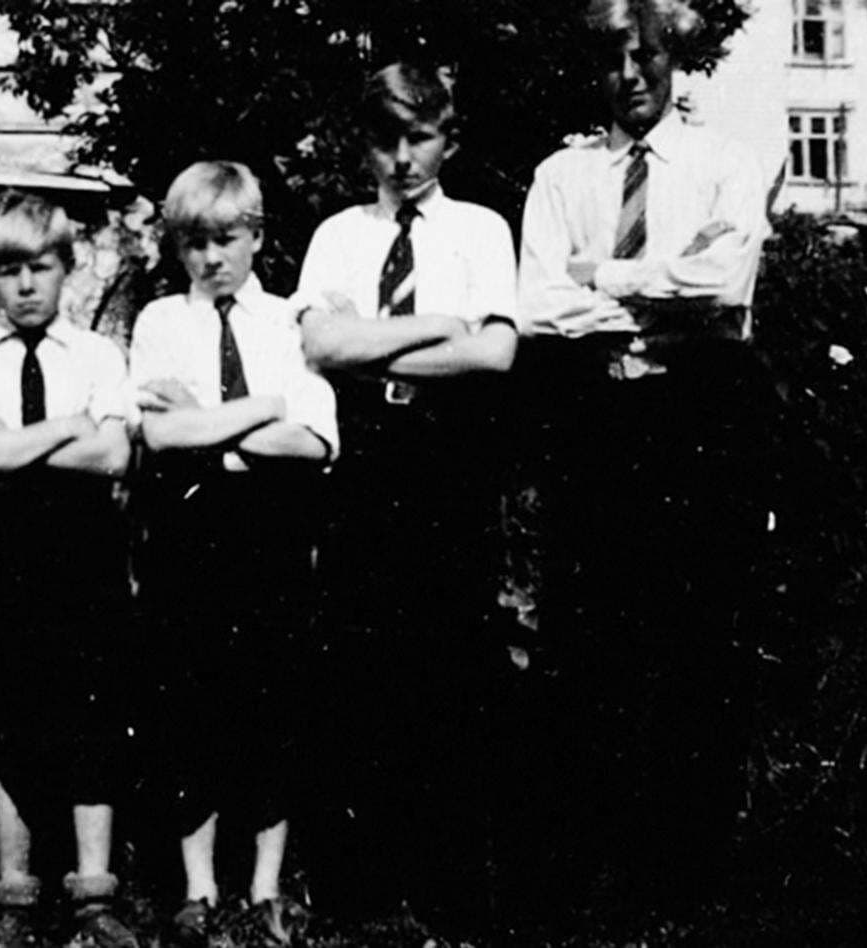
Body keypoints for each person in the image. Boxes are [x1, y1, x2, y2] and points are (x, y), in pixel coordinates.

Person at [516, 0, 774, 910]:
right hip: (598, 417)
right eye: (611, 59)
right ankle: (577, 863)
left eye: (647, 55)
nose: (629, 75)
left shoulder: (724, 164)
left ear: (674, 57)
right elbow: (540, 306)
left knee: (700, 639)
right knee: (592, 637)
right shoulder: (561, 176)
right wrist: (662, 285)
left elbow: (724, 284)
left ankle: (681, 870)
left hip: (700, 411)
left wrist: (606, 276)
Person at [294, 61, 519, 930]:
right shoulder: (337, 235)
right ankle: (358, 886)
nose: (402, 158)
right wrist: (438, 324)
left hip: (448, 456)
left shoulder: (480, 230)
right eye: (385, 139)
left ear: (447, 141)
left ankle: (449, 884)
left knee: (449, 662)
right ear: (364, 144)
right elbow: (320, 348)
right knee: (360, 663)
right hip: (364, 454)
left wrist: (373, 339)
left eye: (419, 138)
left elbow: (493, 354)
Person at [130, 161, 337, 947]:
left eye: (226, 239)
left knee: (272, 698)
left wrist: (211, 418)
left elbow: (313, 441)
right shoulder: (160, 322)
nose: (211, 258)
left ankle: (266, 884)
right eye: (194, 243)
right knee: (192, 701)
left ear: (256, 236)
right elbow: (159, 435)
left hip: (272, 530)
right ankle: (199, 886)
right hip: (187, 530)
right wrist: (261, 411)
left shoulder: (288, 322)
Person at [0, 190, 138, 948]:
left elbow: (112, 454)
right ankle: (15, 895)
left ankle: (93, 894)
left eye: (41, 267)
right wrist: (67, 427)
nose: (26, 285)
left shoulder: (96, 355)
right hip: (9, 557)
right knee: (12, 715)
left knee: (92, 713)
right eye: (9, 270)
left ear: (66, 268)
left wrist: (16, 446)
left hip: (87, 552)